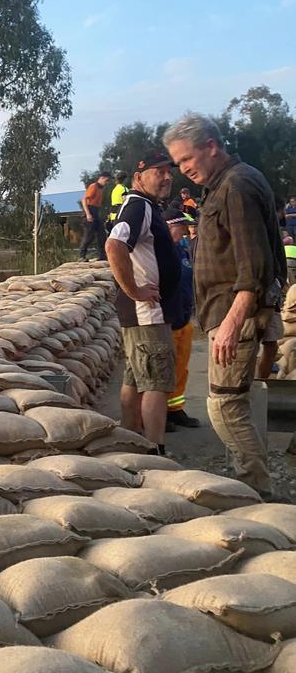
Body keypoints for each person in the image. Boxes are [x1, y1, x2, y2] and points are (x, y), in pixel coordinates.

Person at [164, 112, 287, 497]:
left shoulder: (236, 186)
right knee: (242, 401)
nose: (183, 170)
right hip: (230, 311)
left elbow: (254, 265)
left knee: (224, 407)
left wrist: (233, 323)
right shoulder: (226, 184)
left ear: (211, 147)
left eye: (186, 159)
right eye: (178, 163)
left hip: (236, 314)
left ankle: (255, 491)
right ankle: (249, 479)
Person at [105, 151, 181, 454]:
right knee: (157, 382)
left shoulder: (144, 206)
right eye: (158, 172)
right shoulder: (139, 206)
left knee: (136, 377)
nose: (166, 177)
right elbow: (114, 246)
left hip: (143, 312)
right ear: (138, 177)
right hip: (147, 312)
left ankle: (130, 438)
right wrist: (134, 291)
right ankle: (154, 448)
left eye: (168, 172)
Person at [163, 209, 200, 430]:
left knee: (181, 368)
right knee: (164, 370)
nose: (187, 230)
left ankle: (175, 409)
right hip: (168, 319)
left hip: (184, 317)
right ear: (169, 226)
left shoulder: (182, 250)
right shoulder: (161, 251)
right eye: (182, 227)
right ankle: (160, 412)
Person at [79, 171, 111, 261]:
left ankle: (102, 255)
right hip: (89, 210)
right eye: (106, 180)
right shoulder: (93, 186)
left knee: (102, 234)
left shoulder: (102, 189)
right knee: (89, 234)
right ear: (102, 178)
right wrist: (88, 214)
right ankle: (82, 255)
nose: (107, 183)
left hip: (96, 211)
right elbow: (84, 199)